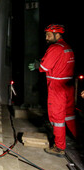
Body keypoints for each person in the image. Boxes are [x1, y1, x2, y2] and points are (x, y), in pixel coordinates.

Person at [29, 24, 76, 157]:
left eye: (48, 34)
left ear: (57, 35)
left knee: (57, 118)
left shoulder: (54, 48)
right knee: (69, 115)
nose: (46, 37)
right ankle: (78, 140)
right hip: (68, 85)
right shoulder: (67, 47)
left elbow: (44, 66)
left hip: (57, 87)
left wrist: (38, 64)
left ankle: (59, 147)